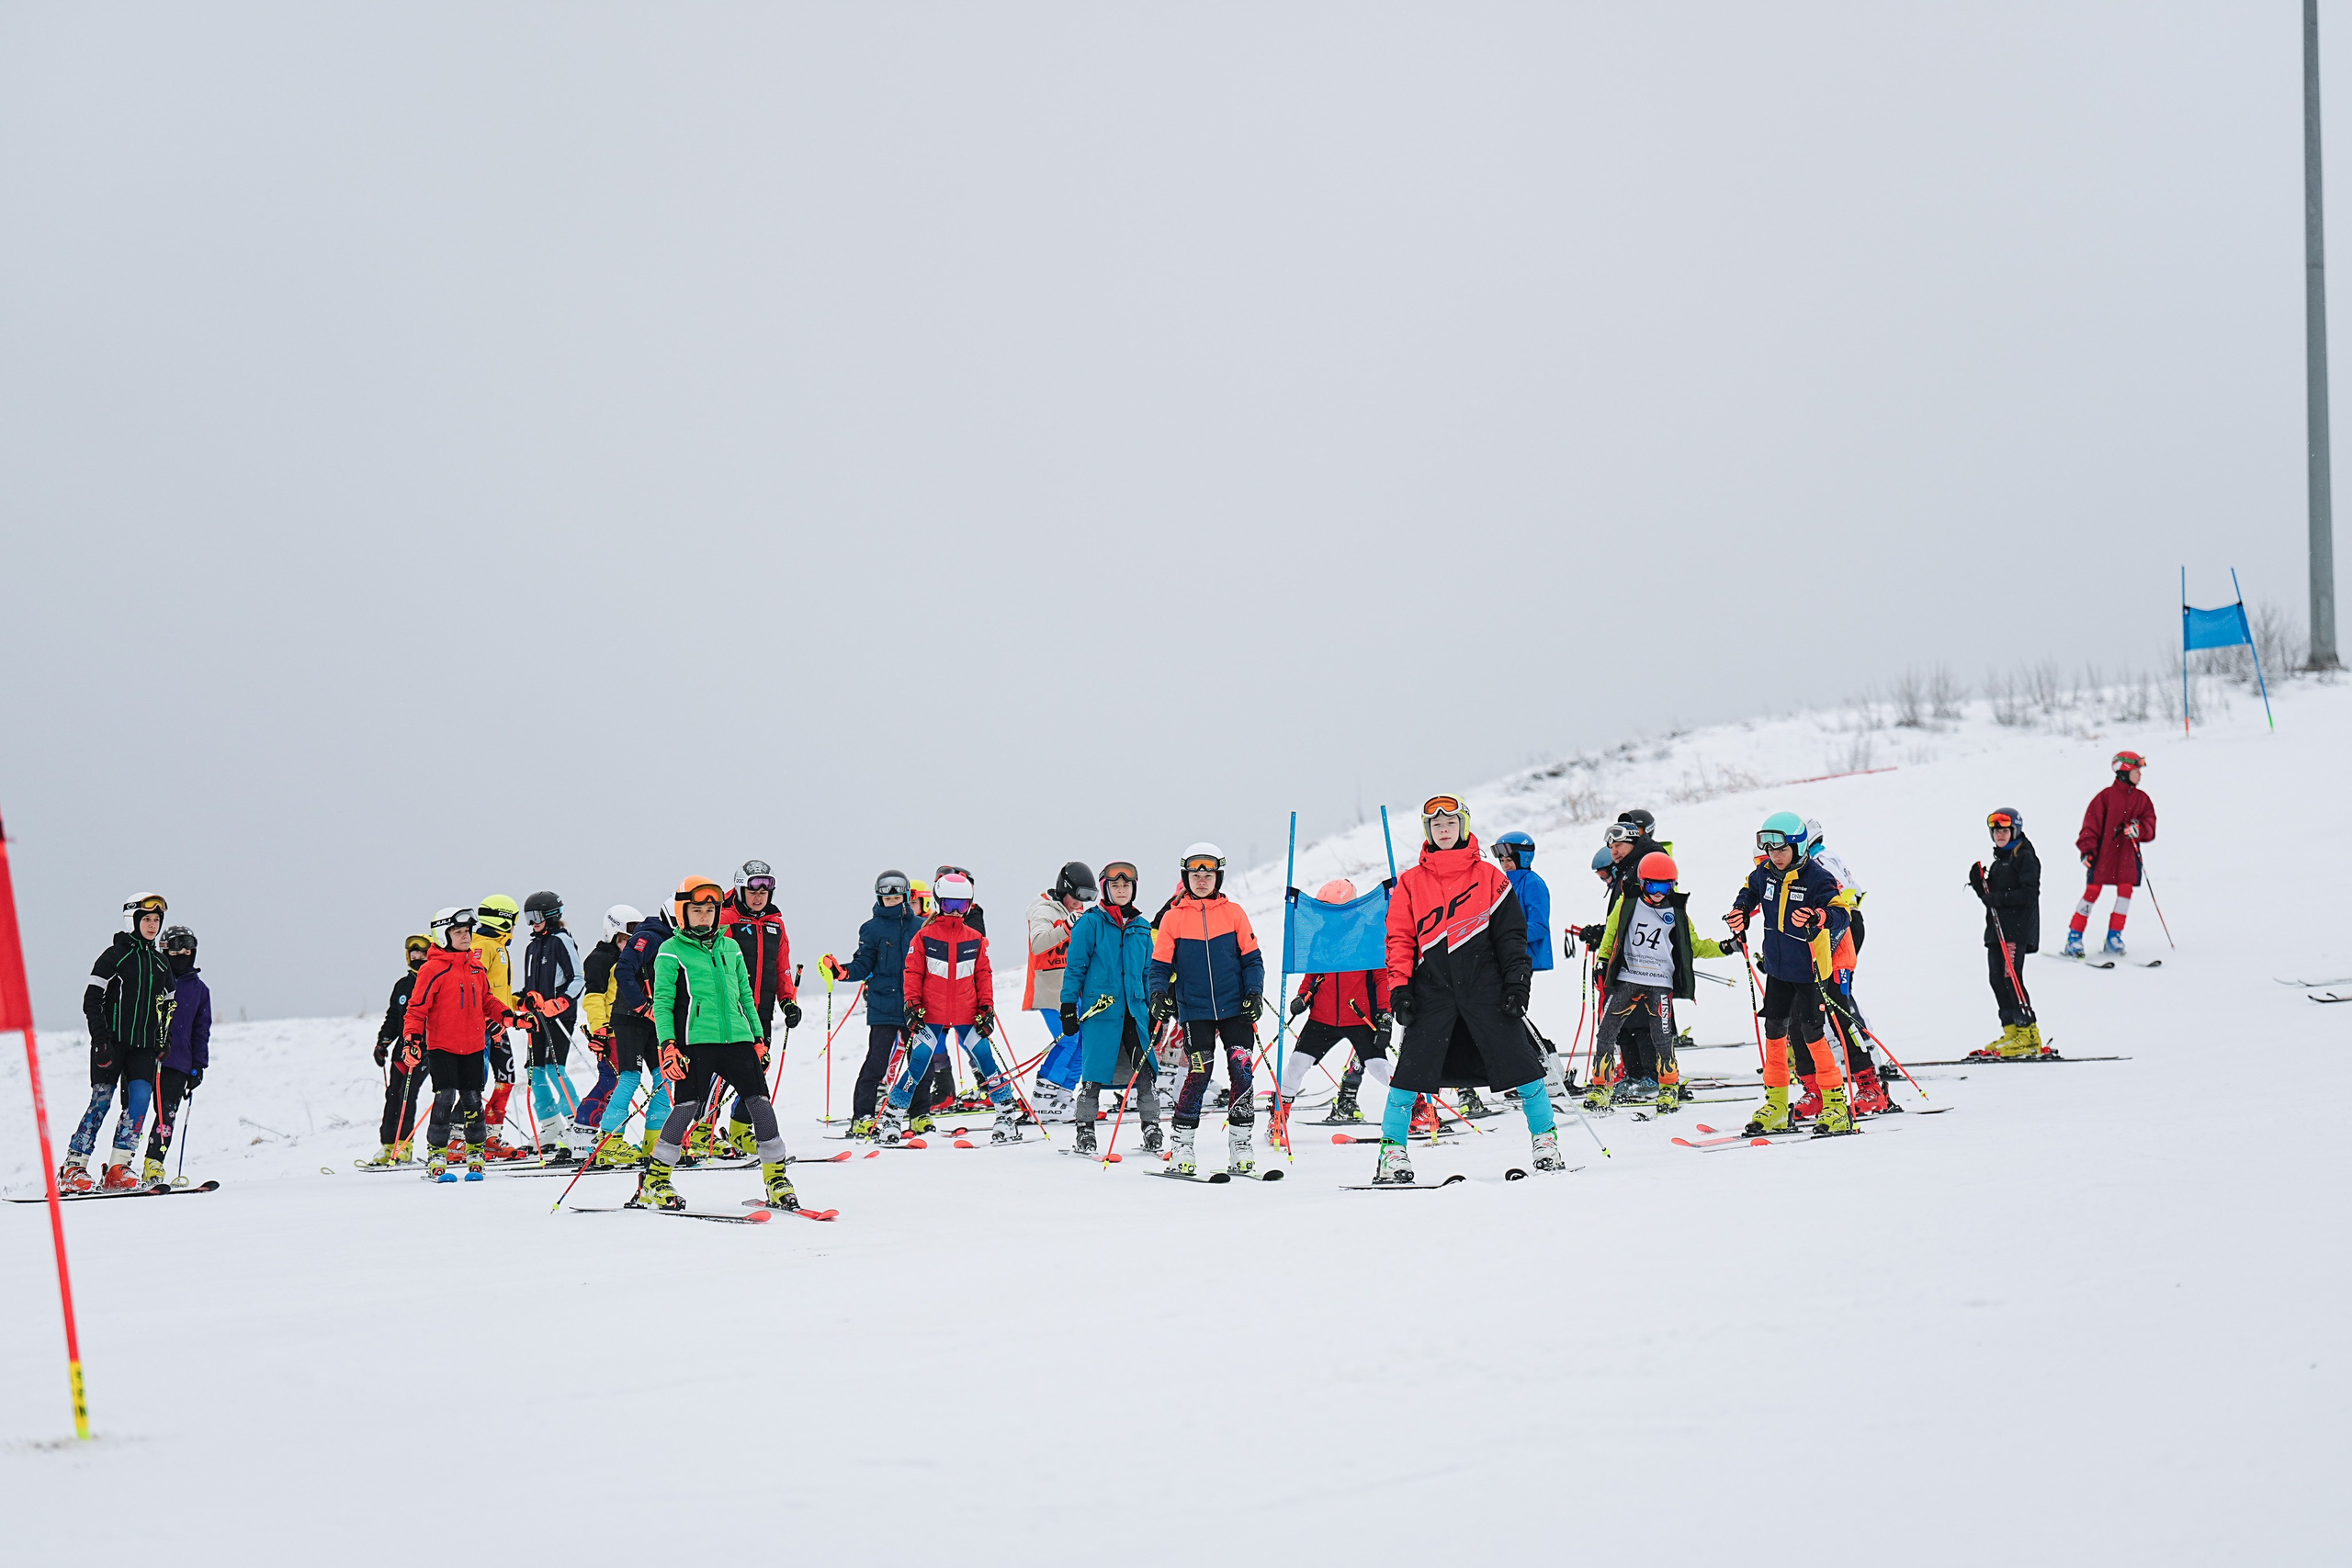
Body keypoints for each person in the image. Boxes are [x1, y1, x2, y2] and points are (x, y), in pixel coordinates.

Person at [1374, 795, 1560, 1184]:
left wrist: (1516, 983)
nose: (1444, 830)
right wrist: (1400, 989)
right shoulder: (1410, 883)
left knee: (1523, 1067)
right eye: (1436, 825)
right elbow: (1399, 940)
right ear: (1429, 832)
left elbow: (1512, 937)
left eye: (1451, 823)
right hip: (1432, 992)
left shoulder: (1492, 877)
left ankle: (1545, 1141)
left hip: (1485, 990)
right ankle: (1392, 1152)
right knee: (1410, 1073)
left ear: (1464, 827)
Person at [637, 875, 799, 1211]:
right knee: (687, 1109)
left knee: (760, 1104)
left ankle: (776, 1177)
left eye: (710, 910)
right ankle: (656, 1180)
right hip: (695, 1042)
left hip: (738, 1039)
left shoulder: (730, 946)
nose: (705, 916)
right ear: (683, 912)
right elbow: (664, 1004)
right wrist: (667, 1046)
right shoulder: (670, 951)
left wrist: (757, 1039)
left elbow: (744, 997)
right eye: (697, 910)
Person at [1577, 853, 1739, 1115]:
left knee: (1662, 1038)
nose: (1658, 893)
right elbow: (1612, 935)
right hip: (1628, 979)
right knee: (1607, 1032)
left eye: (1665, 887)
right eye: (1652, 886)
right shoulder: (1626, 904)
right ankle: (1601, 1087)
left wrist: (1725, 947)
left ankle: (1669, 1088)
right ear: (1642, 883)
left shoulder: (1676, 911)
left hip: (1659, 983)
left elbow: (1694, 946)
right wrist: (1603, 961)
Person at [1725, 811, 1853, 1137]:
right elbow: (1748, 891)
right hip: (1779, 968)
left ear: (1797, 848)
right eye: (1770, 850)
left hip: (1810, 970)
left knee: (1812, 1032)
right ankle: (1778, 1104)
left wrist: (1819, 915)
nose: (1775, 856)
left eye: (1781, 850)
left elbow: (1843, 913)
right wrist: (1740, 911)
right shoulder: (1765, 873)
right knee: (1774, 1029)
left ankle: (1836, 1105)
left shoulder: (1817, 878)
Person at [1148, 843, 1267, 1177]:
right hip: (1195, 1010)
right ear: (1186, 877)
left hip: (1235, 1009)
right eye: (1195, 873)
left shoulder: (1234, 914)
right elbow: (1158, 967)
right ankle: (1182, 1145)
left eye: (1208, 873)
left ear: (1218, 877)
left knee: (1242, 1070)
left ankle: (1241, 1144)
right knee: (1199, 1072)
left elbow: (1252, 960)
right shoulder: (1173, 918)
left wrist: (1254, 993)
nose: (1202, 879)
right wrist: (1159, 994)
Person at [885, 872, 1023, 1143]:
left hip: (967, 1013)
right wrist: (912, 1006)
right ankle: (891, 1119)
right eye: (950, 904)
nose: (956, 911)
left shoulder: (974, 938)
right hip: (931, 1014)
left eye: (962, 905)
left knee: (987, 1063)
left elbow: (983, 975)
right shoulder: (924, 937)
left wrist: (986, 1008)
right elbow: (912, 973)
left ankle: (1006, 1116)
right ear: (938, 903)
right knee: (917, 1066)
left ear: (970, 905)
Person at [66, 893, 175, 1192]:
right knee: (101, 1102)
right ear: (133, 921)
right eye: (147, 919)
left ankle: (119, 1167)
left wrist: (162, 1039)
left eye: (156, 920)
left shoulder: (161, 963)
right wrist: (100, 1038)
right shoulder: (115, 956)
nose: (152, 925)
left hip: (143, 1048)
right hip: (111, 1044)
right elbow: (92, 999)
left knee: (140, 1102)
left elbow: (167, 1006)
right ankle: (74, 1167)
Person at [1059, 861, 1163, 1156]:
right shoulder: (1090, 923)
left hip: (1135, 1011)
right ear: (1106, 888)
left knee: (1145, 1072)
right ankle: (1085, 1129)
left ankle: (1151, 1125)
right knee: (1093, 1073)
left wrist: (1154, 1008)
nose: (1121, 890)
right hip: (1101, 1012)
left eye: (1126, 885)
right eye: (1115, 886)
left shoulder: (1142, 928)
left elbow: (1147, 972)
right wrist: (1068, 1004)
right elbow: (1075, 968)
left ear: (1134, 889)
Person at [1277, 879, 1394, 1128]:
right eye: (1325, 910)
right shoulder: (1320, 937)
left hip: (1359, 1017)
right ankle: (1279, 1116)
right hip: (1323, 1017)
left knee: (1379, 1067)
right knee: (1296, 1064)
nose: (1330, 917)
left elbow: (1381, 977)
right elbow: (1313, 974)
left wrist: (1384, 1015)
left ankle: (1417, 1109)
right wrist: (1302, 996)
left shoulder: (1368, 936)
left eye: (1335, 910)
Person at [404, 906, 509, 1181]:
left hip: (473, 1045)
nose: (466, 937)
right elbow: (416, 1009)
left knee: (472, 1100)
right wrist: (412, 1040)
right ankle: (437, 1153)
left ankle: (475, 1152)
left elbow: (487, 1000)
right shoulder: (432, 969)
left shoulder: (475, 966)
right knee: (445, 1097)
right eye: (458, 932)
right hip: (442, 1046)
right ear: (443, 935)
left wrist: (509, 1016)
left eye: (467, 931)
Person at [828, 870, 923, 1140]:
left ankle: (919, 1114)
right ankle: (862, 1117)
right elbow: (863, 964)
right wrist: (841, 972)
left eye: (896, 898)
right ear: (879, 899)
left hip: (914, 1006)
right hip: (883, 1006)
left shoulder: (920, 928)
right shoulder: (871, 929)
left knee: (919, 1062)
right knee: (876, 1063)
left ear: (905, 897)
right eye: (887, 899)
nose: (891, 902)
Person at [1800, 818, 1883, 1116]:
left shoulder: (1820, 860)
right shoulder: (1825, 856)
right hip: (1831, 930)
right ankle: (1826, 1079)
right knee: (1823, 1003)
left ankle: (1868, 1064)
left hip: (1839, 930)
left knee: (1837, 1001)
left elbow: (1843, 898)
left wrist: (1832, 936)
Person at [594, 904, 675, 1166]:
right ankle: (609, 1141)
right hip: (629, 1018)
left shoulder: (673, 941)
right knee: (629, 1077)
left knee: (664, 1077)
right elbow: (624, 972)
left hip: (655, 1020)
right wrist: (641, 1004)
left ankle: (654, 1140)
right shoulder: (648, 938)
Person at [1971, 807, 2046, 1057]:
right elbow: (1991, 899)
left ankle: (2028, 1033)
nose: (1999, 835)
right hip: (1997, 931)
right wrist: (1980, 886)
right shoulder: (2000, 860)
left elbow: (2028, 894)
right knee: (1996, 979)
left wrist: (1996, 898)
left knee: (2010, 978)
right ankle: (2012, 1030)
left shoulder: (2024, 857)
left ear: (2015, 830)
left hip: (2015, 930)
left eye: (2004, 830)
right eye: (1995, 831)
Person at [1024, 862, 1096, 1123]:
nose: (1081, 903)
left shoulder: (1077, 913)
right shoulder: (1043, 910)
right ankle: (1043, 1098)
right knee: (1067, 1040)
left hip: (1074, 991)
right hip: (1050, 988)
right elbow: (1038, 944)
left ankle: (1063, 1097)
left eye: (1088, 898)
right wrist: (1066, 927)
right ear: (1063, 889)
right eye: (1078, 897)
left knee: (1081, 1044)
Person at [139, 924, 210, 1183]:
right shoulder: (152, 978)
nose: (183, 954)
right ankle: (120, 1164)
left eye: (188, 949)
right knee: (134, 1110)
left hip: (178, 1063)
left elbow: (201, 1031)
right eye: (177, 948)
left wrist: (198, 1066)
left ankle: (154, 1164)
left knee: (166, 1114)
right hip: (144, 1056)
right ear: (164, 950)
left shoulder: (199, 990)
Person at [1491, 830, 1562, 1095]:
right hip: (1503, 959)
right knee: (1504, 1012)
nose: (1505, 864)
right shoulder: (1502, 884)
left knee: (1510, 1011)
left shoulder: (1533, 883)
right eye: (1501, 860)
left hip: (1521, 958)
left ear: (1523, 857)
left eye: (1509, 859)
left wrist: (1507, 939)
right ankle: (1532, 1066)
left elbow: (1540, 926)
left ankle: (1546, 1057)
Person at [2069, 750, 2155, 958]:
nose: (2140, 775)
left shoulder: (2142, 799)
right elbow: (2090, 826)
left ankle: (2114, 937)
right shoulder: (2105, 797)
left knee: (2125, 893)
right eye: (2137, 771)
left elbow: (2150, 825)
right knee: (2092, 892)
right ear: (2124, 771)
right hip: (2104, 856)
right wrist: (2087, 851)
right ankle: (2074, 937)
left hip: (2127, 858)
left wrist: (2139, 829)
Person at [520, 891, 586, 1155]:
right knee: (534, 1071)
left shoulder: (561, 941)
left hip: (558, 1016)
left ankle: (577, 1124)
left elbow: (578, 978)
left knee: (553, 1068)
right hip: (537, 1020)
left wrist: (562, 1002)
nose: (531, 923)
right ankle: (551, 1125)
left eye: (534, 917)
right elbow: (532, 987)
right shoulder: (532, 947)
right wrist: (523, 1001)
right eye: (527, 918)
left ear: (550, 915)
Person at [362, 932, 434, 1167]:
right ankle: (388, 1146)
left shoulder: (434, 980)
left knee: (407, 1093)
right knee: (393, 1095)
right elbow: (394, 1017)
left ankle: (405, 1146)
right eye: (414, 953)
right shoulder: (402, 986)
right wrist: (383, 1042)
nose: (418, 957)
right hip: (402, 1051)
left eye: (423, 952)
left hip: (425, 1049)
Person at [574, 905, 639, 1156]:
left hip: (627, 1031)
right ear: (611, 934)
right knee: (611, 1082)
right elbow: (593, 997)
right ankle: (584, 1132)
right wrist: (599, 1028)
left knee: (618, 1084)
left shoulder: (629, 960)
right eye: (624, 940)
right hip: (610, 1033)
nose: (628, 945)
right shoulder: (601, 959)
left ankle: (600, 1136)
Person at [471, 894, 525, 1157]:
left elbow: (497, 992)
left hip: (499, 1024)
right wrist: (486, 1020)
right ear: (503, 920)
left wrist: (518, 1004)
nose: (516, 927)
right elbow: (474, 989)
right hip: (481, 1027)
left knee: (506, 1078)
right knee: (474, 1082)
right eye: (514, 921)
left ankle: (491, 1135)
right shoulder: (483, 946)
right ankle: (458, 1138)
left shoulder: (498, 946)